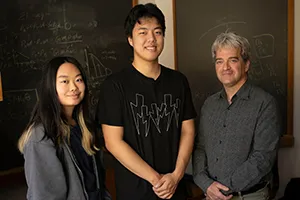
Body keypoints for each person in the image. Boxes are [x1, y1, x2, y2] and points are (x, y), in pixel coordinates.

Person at [96, 3, 196, 200]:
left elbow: (188, 130)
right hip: (136, 191)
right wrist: (156, 179)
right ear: (130, 39)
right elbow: (113, 142)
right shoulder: (115, 86)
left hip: (176, 188)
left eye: (157, 32)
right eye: (143, 32)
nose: (151, 39)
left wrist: (175, 176)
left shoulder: (178, 81)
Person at [192, 32, 281, 200]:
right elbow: (200, 148)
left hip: (248, 196)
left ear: (246, 64)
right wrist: (206, 184)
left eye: (233, 60)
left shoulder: (265, 103)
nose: (225, 67)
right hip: (210, 194)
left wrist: (222, 190)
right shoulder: (209, 105)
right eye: (220, 61)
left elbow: (263, 158)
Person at [18, 56, 111, 200]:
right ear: (51, 86)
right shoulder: (41, 136)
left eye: (78, 80)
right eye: (64, 81)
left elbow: (97, 181)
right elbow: (44, 195)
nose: (73, 87)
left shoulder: (84, 127)